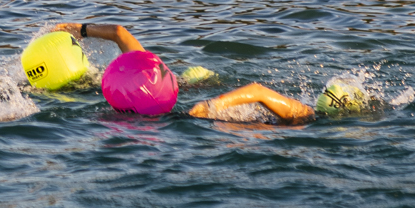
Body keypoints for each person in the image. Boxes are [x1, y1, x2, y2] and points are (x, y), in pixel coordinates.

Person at [49, 21, 319, 124]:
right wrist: (211, 106)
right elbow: (258, 90)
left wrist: (79, 29)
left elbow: (120, 33)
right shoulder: (305, 116)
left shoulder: (110, 112)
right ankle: (193, 80)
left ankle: (193, 79)